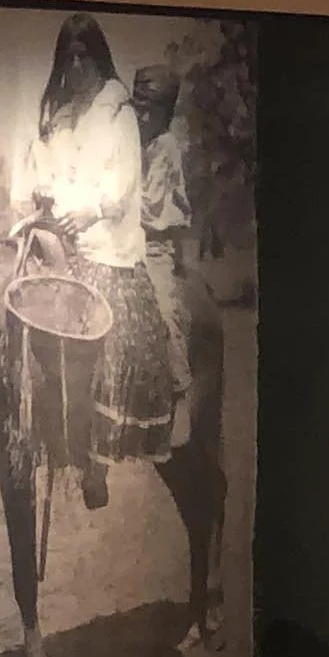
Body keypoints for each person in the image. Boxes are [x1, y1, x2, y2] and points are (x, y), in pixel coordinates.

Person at [10, 13, 176, 508]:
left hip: (106, 242)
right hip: (60, 237)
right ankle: (30, 429)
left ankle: (97, 459)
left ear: (97, 57)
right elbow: (39, 169)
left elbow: (122, 185)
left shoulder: (117, 113)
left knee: (112, 333)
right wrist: (41, 200)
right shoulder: (59, 114)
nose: (77, 64)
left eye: (85, 55)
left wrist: (85, 211)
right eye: (70, 55)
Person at [133, 63, 197, 443]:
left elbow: (152, 208)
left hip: (154, 242)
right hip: (122, 237)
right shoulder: (134, 142)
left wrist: (108, 202)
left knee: (163, 308)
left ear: (165, 112)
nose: (141, 116)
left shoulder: (165, 147)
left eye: (149, 109)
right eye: (138, 107)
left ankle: (180, 390)